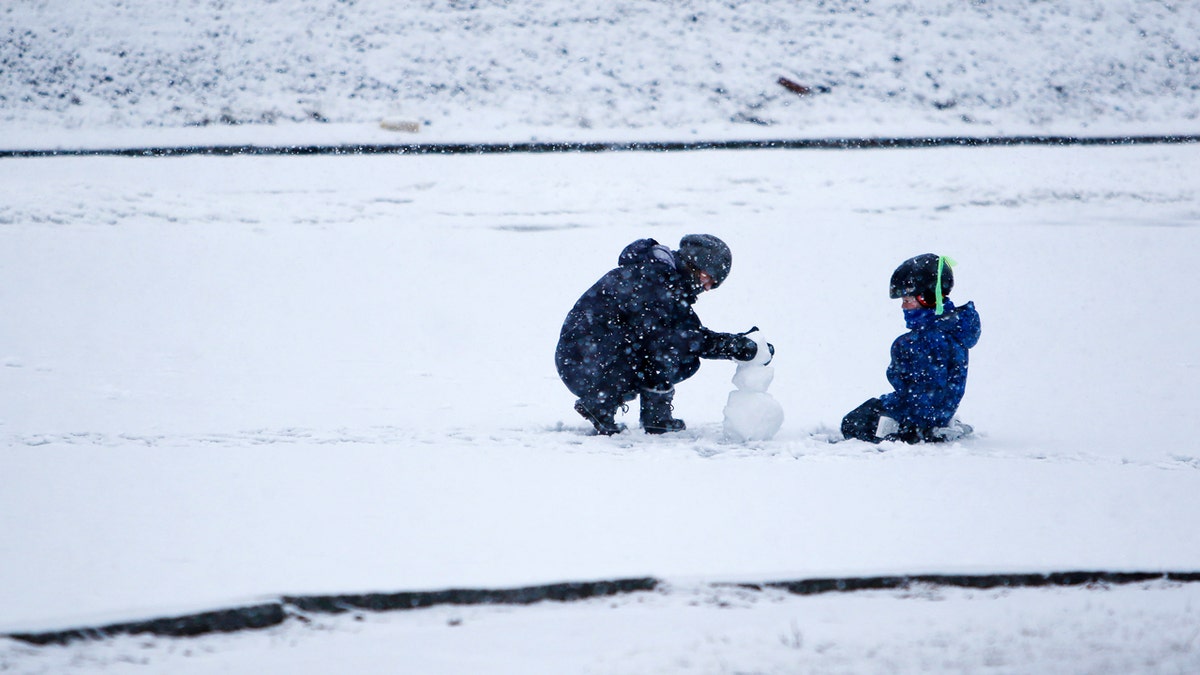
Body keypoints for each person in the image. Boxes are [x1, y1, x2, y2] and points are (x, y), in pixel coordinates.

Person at [556, 234, 772, 435]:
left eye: (712, 285)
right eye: (707, 278)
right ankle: (600, 403)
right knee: (667, 346)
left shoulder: (667, 283)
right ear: (693, 265)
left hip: (594, 358)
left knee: (684, 358)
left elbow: (690, 333)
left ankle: (655, 418)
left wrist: (740, 344)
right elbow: (673, 338)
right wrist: (731, 346)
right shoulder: (651, 278)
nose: (706, 287)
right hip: (583, 361)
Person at [842, 253, 981, 443]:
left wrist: (911, 426)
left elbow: (926, 394)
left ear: (928, 298)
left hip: (917, 418)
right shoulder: (950, 329)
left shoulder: (924, 341)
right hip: (935, 414)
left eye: (907, 300)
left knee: (853, 423)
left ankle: (915, 431)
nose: (903, 307)